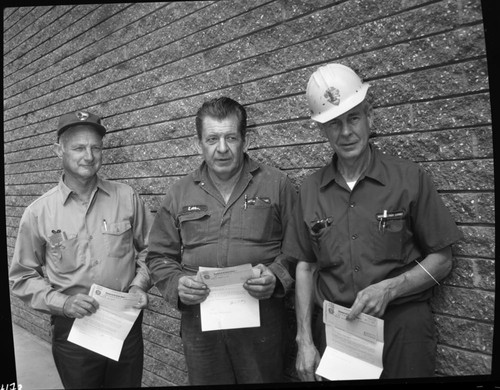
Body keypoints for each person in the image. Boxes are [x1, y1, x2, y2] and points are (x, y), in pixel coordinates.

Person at [286, 64, 463, 380]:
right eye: (333, 123)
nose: (346, 132)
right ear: (321, 130)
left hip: (402, 330)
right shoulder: (310, 190)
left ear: (370, 116)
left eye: (353, 117)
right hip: (337, 331)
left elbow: (443, 259)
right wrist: (305, 340)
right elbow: (305, 266)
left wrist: (391, 288)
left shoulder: (409, 178)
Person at [146, 96, 297, 385]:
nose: (222, 148)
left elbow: (298, 248)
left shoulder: (277, 184)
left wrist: (276, 275)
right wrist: (177, 284)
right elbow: (158, 256)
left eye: (231, 137)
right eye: (212, 139)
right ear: (198, 144)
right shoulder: (179, 193)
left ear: (246, 141)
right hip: (201, 325)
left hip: (261, 323)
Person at [9, 110, 153, 389]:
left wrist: (139, 285)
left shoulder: (126, 197)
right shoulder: (38, 213)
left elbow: (152, 250)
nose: (88, 155)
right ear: (58, 151)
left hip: (124, 325)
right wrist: (63, 303)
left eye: (95, 147)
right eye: (78, 147)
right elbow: (22, 276)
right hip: (73, 331)